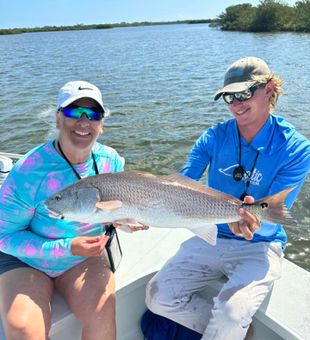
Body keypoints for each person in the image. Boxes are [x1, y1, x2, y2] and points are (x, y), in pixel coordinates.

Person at [145, 57, 310, 339]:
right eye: (228, 97)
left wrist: (252, 223)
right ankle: (238, 334)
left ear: (269, 89)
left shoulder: (295, 148)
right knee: (157, 297)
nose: (235, 104)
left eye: (244, 93)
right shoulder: (213, 137)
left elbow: (273, 218)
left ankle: (231, 329)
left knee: (232, 314)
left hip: (260, 245)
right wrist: (138, 206)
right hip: (211, 234)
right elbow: (180, 182)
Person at [0, 80, 142, 340]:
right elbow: (4, 237)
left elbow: (111, 213)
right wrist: (66, 247)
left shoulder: (111, 160)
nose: (84, 122)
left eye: (93, 114)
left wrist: (123, 222)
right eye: (74, 112)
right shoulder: (27, 172)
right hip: (25, 261)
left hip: (83, 258)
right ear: (57, 119)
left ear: (102, 124)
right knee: (22, 329)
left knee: (102, 313)